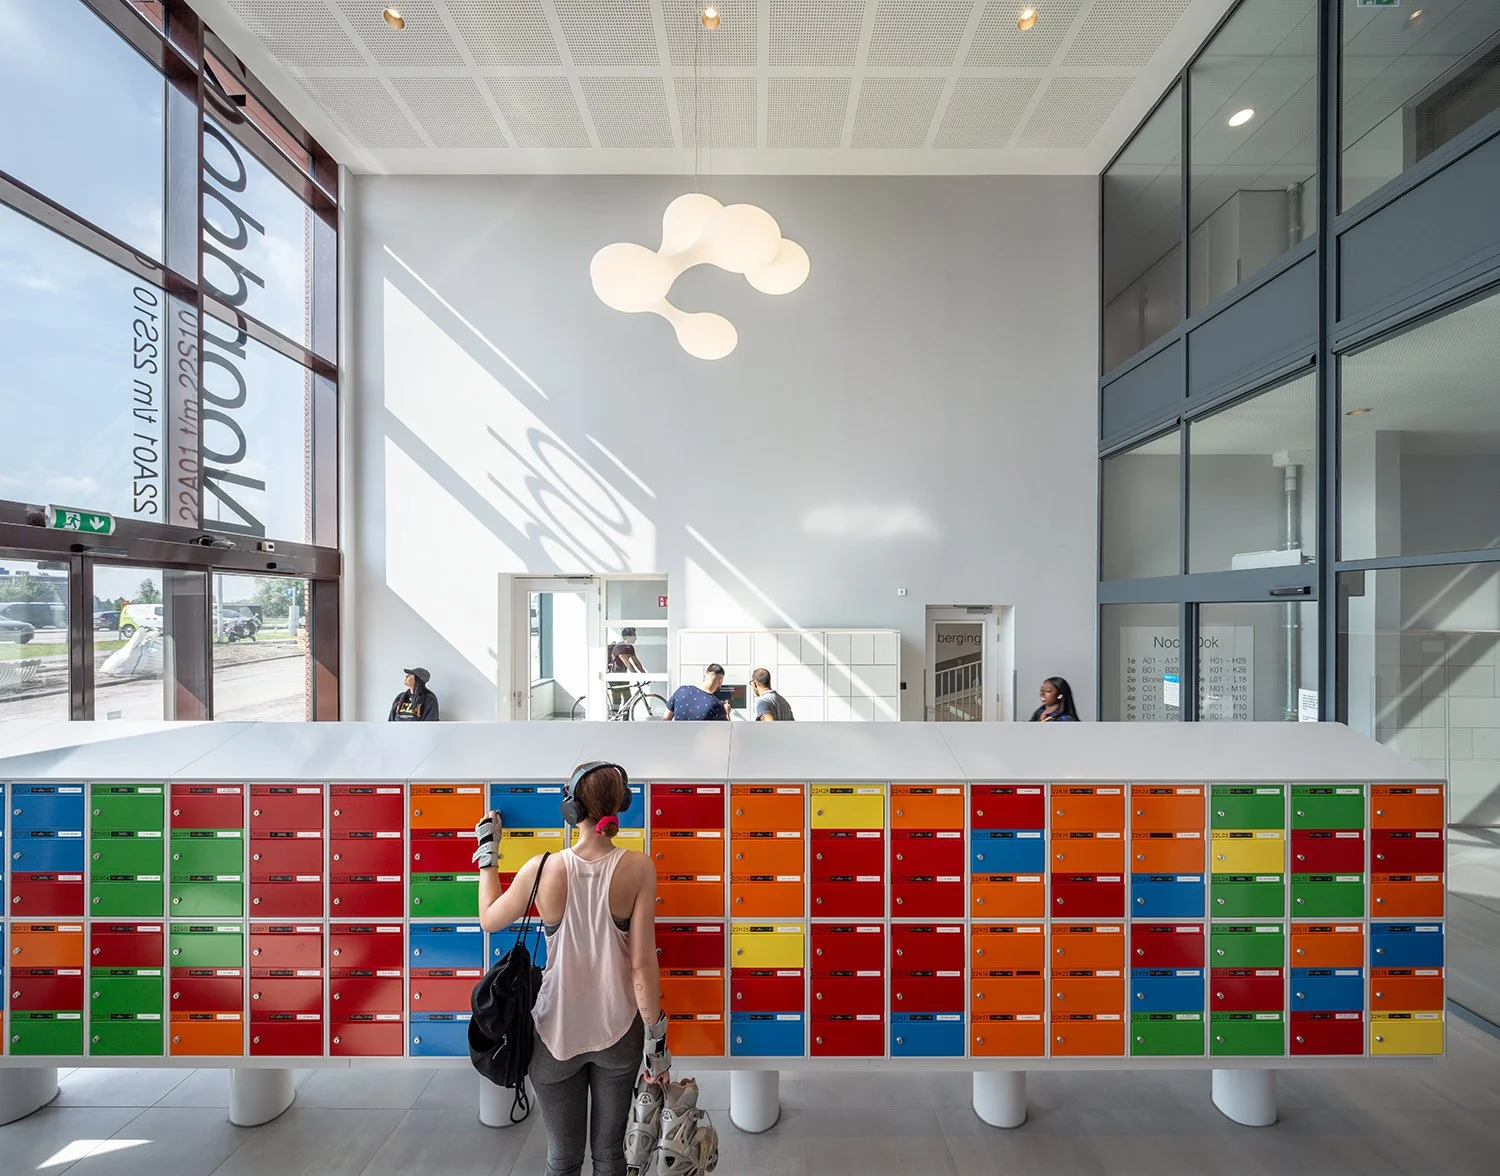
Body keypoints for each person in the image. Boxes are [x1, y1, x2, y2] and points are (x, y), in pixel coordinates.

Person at [476, 763, 666, 1176]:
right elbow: (642, 964)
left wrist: (488, 851)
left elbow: (489, 919)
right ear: (621, 805)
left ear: (571, 808)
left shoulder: (541, 869)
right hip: (619, 1032)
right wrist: (657, 1043)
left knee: (562, 1159)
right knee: (611, 1154)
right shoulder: (639, 868)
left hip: (553, 1036)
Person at [663, 664, 730, 721]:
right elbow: (726, 729)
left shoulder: (681, 690)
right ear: (720, 680)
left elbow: (665, 720)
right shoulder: (717, 704)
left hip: (677, 732)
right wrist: (726, 712)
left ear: (705, 676)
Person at [607, 628, 646, 716]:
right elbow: (627, 663)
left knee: (628, 699)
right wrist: (636, 676)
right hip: (614, 677)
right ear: (628, 637)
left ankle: (625, 720)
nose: (636, 638)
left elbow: (637, 663)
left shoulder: (630, 648)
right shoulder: (619, 647)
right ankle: (613, 719)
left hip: (623, 677)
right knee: (617, 700)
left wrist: (645, 675)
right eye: (634, 635)